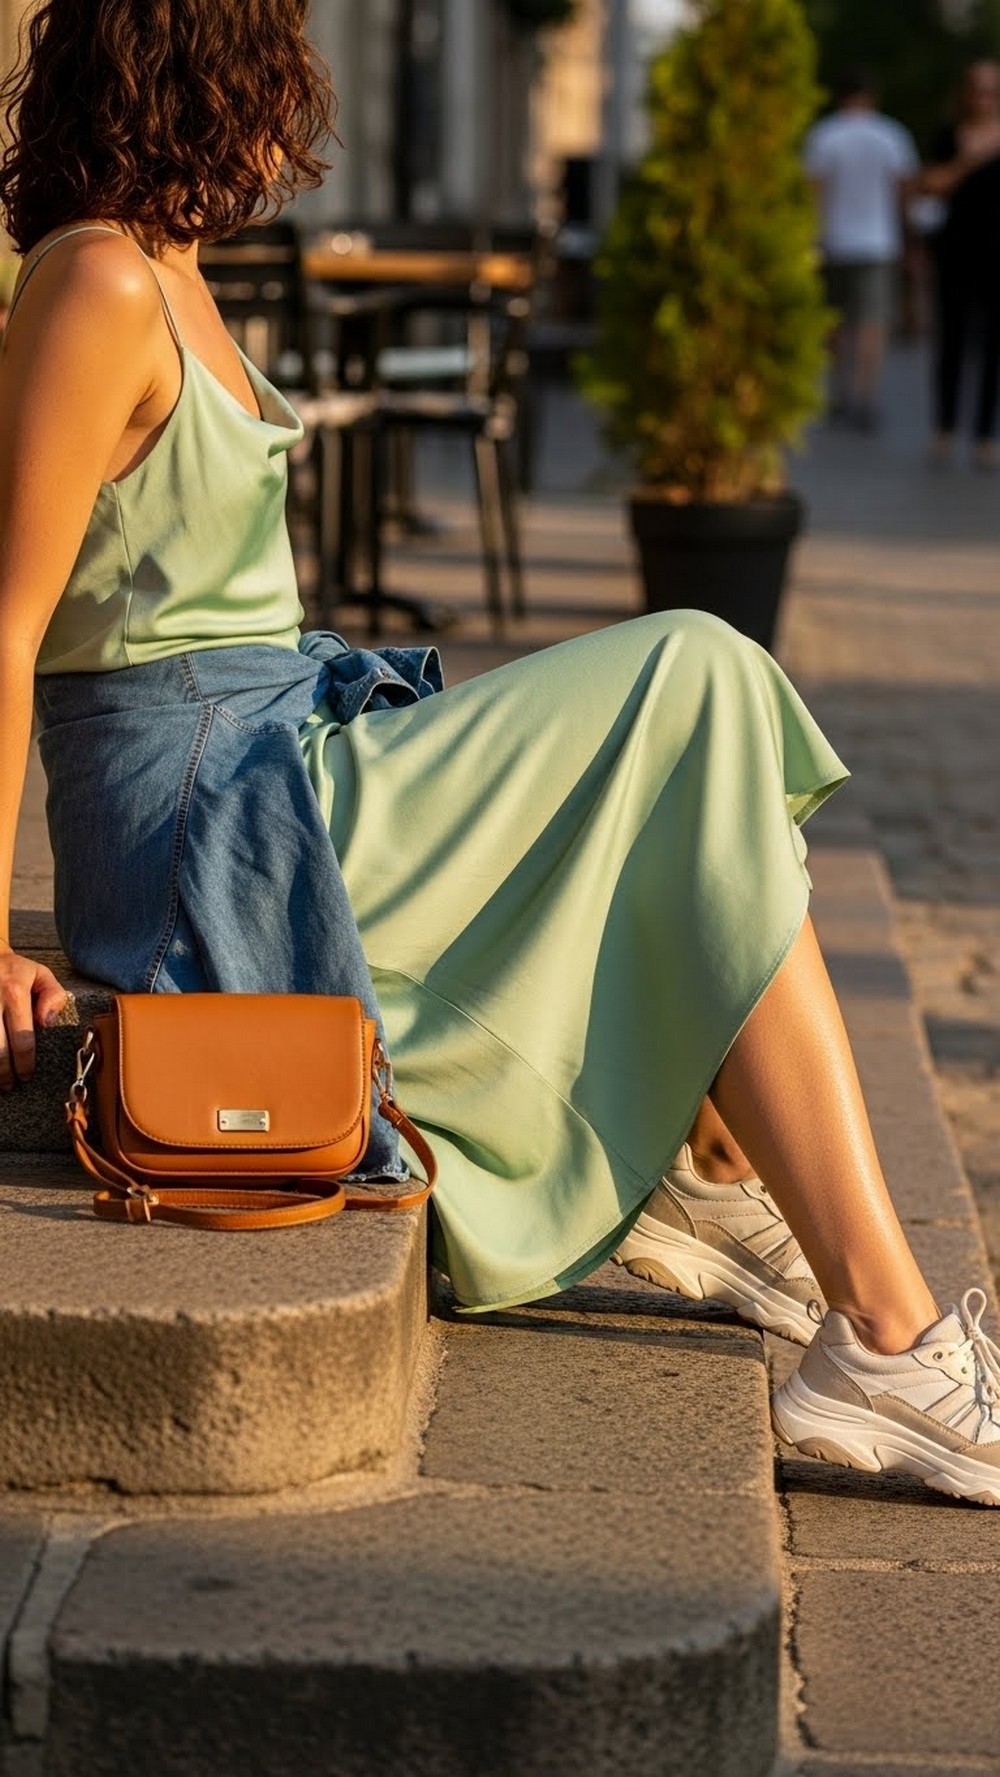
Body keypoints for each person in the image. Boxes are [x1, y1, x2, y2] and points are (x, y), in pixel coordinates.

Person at [1, 0, 999, 1509]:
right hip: (210, 830)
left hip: (282, 765)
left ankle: (733, 1181)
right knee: (697, 673)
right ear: (214, 74)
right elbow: (6, 625)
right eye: (279, 76)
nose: (298, 124)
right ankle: (880, 1329)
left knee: (696, 751)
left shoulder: (168, 269)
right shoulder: (96, 280)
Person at [804, 69, 920, 431]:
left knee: (835, 322)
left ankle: (841, 391)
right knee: (872, 323)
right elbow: (903, 191)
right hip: (878, 241)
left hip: (835, 240)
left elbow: (814, 191)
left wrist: (811, 236)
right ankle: (867, 395)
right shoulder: (890, 135)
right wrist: (909, 237)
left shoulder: (825, 135)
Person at [920, 61, 1000, 470]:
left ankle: (985, 435)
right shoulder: (949, 135)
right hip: (955, 250)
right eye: (978, 90)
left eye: (991, 91)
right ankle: (945, 427)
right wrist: (971, 159)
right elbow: (929, 185)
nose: (983, 98)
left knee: (992, 348)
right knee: (950, 340)